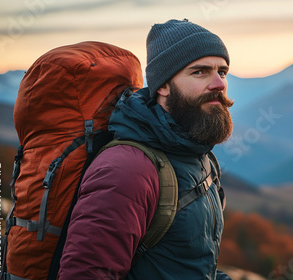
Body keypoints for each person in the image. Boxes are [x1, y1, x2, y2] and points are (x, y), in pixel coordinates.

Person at [58, 19, 234, 279]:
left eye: (222, 72)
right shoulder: (127, 170)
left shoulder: (198, 156)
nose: (219, 84)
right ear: (162, 86)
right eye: (200, 72)